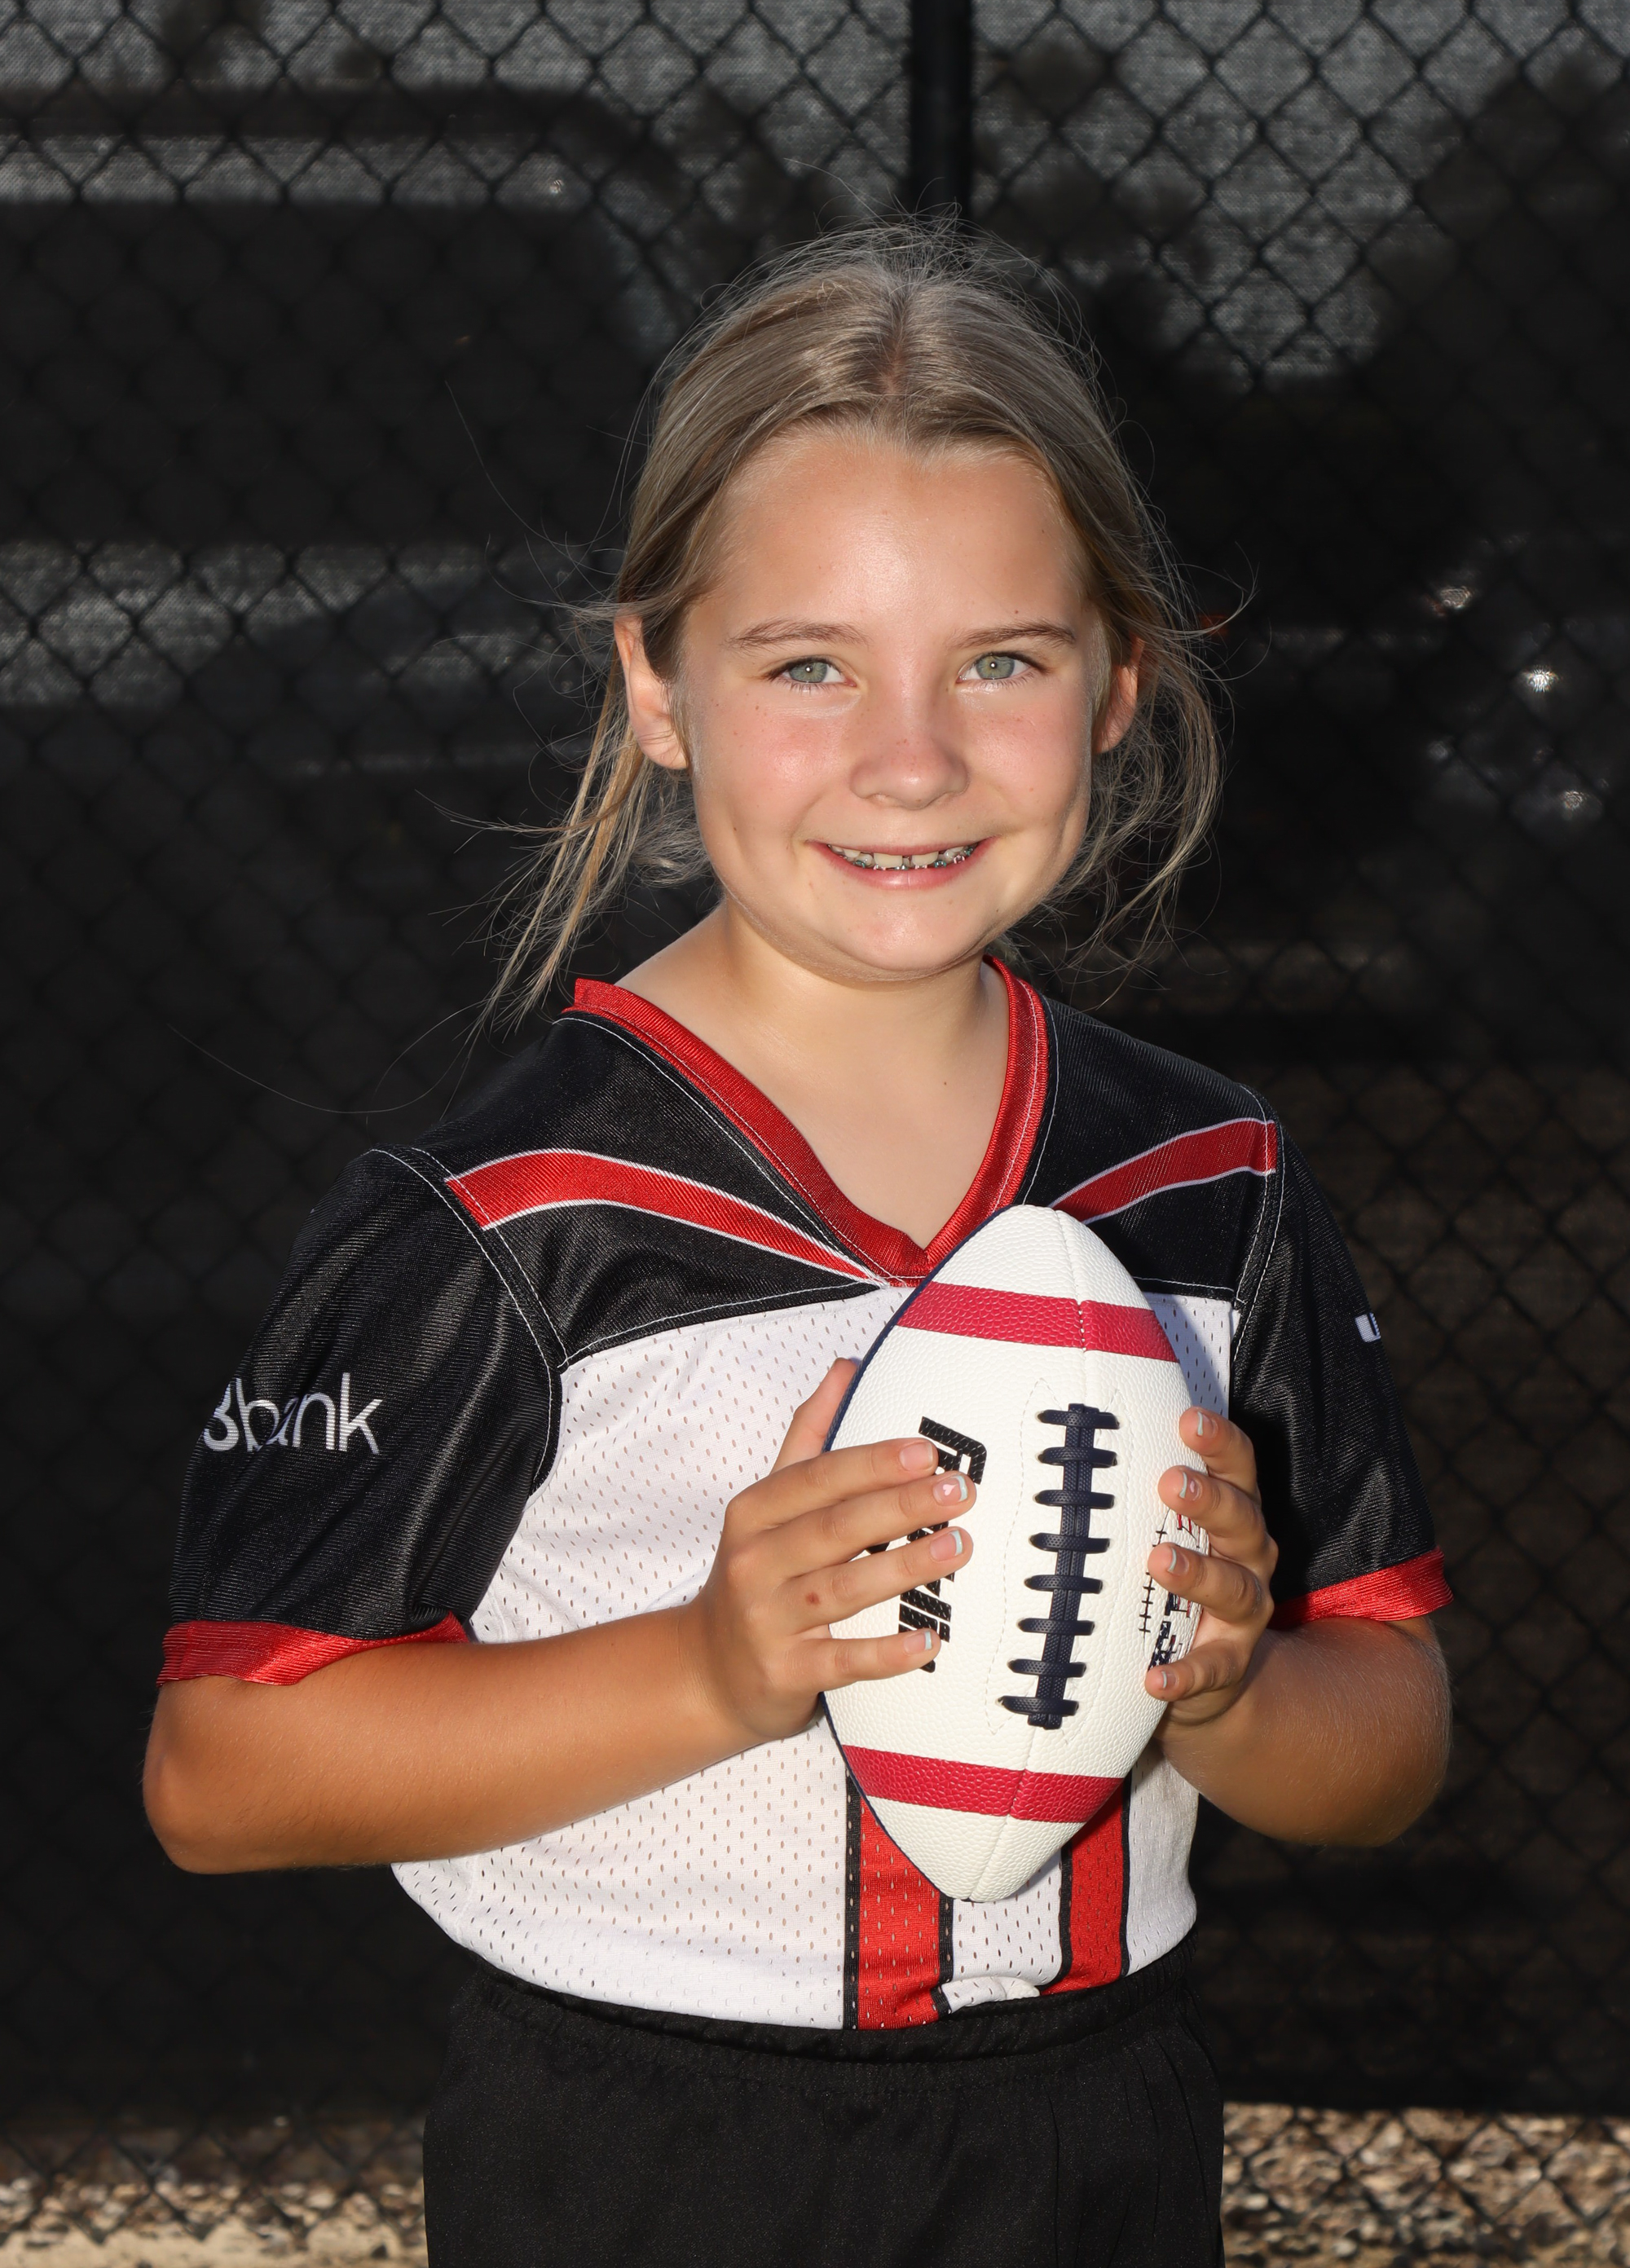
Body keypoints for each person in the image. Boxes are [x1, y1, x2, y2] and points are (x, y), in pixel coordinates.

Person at [143, 225, 1452, 2268]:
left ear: (1119, 678)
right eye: (807, 662)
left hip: (1099, 2131)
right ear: (655, 685)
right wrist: (706, 1662)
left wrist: (1223, 1689)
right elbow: (223, 1769)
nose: (909, 756)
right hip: (643, 2150)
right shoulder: (497, 1213)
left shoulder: (1212, 1176)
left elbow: (1389, 1731)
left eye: (999, 660)